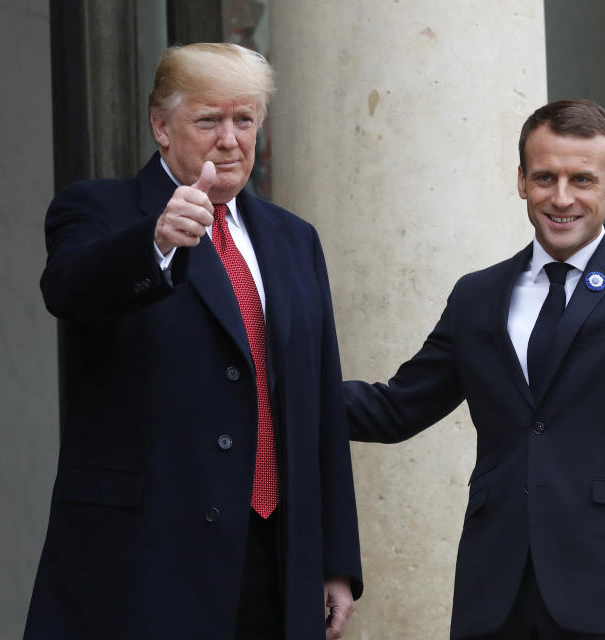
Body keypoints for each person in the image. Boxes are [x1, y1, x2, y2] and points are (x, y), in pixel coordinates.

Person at [344, 99, 605, 640]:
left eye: (582, 179)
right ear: (521, 181)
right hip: (499, 594)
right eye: (545, 177)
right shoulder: (478, 295)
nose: (562, 197)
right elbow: (396, 408)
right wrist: (271, 388)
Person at [25, 43, 361, 640]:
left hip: (275, 559)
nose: (229, 139)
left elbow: (317, 403)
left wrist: (335, 559)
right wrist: (155, 242)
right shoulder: (99, 210)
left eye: (245, 119)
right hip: (147, 558)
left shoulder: (292, 238)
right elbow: (69, 288)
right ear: (161, 125)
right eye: (208, 120)